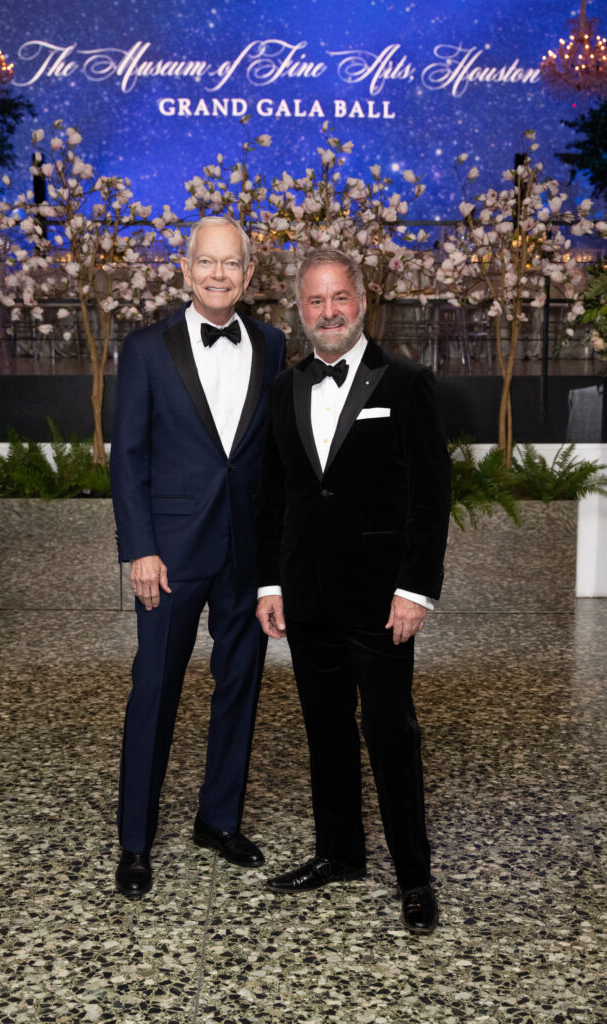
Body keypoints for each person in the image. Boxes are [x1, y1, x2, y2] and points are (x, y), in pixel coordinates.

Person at [255, 248, 450, 934]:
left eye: (339, 297)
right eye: (314, 301)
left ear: (361, 301)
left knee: (391, 733)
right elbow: (277, 495)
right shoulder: (283, 389)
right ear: (299, 311)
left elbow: (430, 497)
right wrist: (270, 583)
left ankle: (414, 875)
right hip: (306, 598)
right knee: (324, 730)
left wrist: (415, 591)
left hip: (379, 598)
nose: (328, 311)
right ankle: (338, 853)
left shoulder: (405, 381)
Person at [110, 216, 286, 897]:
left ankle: (217, 821)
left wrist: (276, 565)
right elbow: (128, 457)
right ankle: (134, 841)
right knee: (154, 690)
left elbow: (271, 461)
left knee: (238, 689)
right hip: (171, 555)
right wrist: (141, 549)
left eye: (231, 264)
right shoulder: (148, 348)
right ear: (186, 269)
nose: (218, 274)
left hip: (243, 550)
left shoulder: (272, 344)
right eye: (206, 263)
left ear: (248, 274)